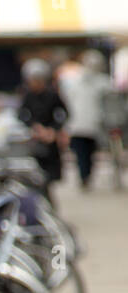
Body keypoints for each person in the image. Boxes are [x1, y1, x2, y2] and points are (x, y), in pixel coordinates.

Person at [59, 49, 112, 189]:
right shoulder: (101, 82)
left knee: (85, 154)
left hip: (85, 125)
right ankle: (85, 176)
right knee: (85, 153)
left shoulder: (102, 83)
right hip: (83, 124)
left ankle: (85, 176)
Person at [18, 59, 67, 201]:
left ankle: (47, 199)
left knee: (50, 175)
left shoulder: (52, 95)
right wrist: (33, 126)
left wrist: (54, 130)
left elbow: (63, 113)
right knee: (36, 172)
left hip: (50, 140)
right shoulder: (28, 95)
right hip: (35, 139)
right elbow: (21, 114)